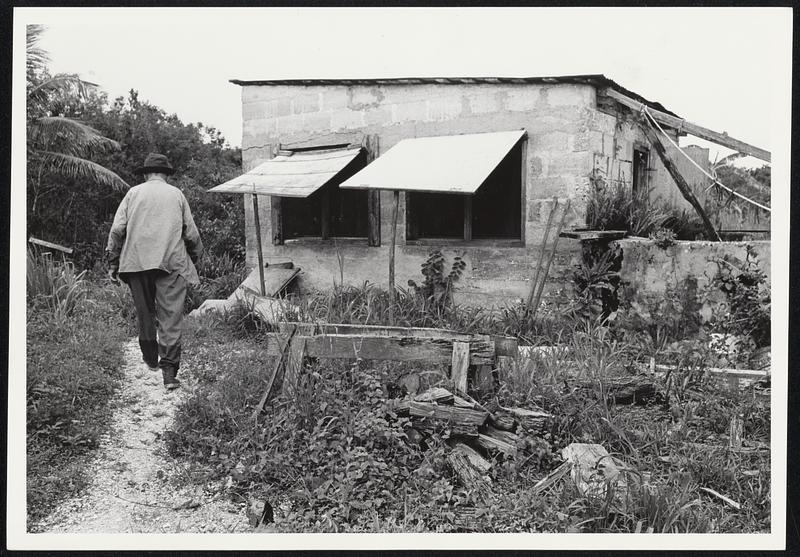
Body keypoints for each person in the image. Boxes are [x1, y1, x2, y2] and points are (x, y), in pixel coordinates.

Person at [106, 153, 203, 390]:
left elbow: (118, 230)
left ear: (146, 173)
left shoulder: (133, 193)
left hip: (136, 262)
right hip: (171, 263)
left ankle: (150, 356)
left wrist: (112, 260)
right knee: (170, 317)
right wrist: (198, 258)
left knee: (145, 312)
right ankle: (169, 373)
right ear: (166, 174)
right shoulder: (176, 195)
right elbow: (190, 233)